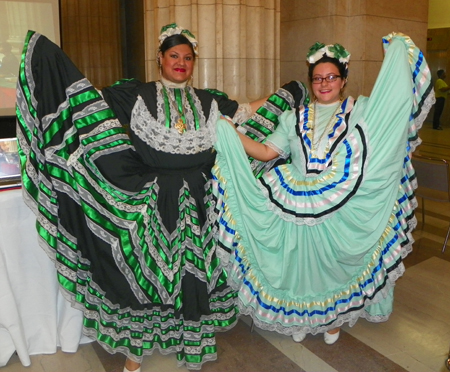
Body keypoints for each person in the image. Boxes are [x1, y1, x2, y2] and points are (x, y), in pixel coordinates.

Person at [16, 24, 309, 372]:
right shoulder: (135, 95)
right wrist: (52, 66)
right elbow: (88, 103)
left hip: (203, 202)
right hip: (152, 201)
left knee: (194, 275)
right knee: (145, 274)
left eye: (187, 57)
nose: (181, 62)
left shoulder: (209, 100)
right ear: (160, 58)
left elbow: (248, 110)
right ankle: (136, 349)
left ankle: (192, 341)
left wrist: (288, 94)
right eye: (174, 56)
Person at [212, 33, 434, 345]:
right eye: (317, 78)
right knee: (298, 264)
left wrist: (398, 54)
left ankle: (332, 319)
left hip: (340, 198)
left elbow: (390, 116)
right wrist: (229, 131)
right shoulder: (294, 117)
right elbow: (265, 153)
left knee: (330, 264)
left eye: (331, 77)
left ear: (344, 80)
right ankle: (303, 317)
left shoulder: (362, 110)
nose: (324, 83)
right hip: (296, 196)